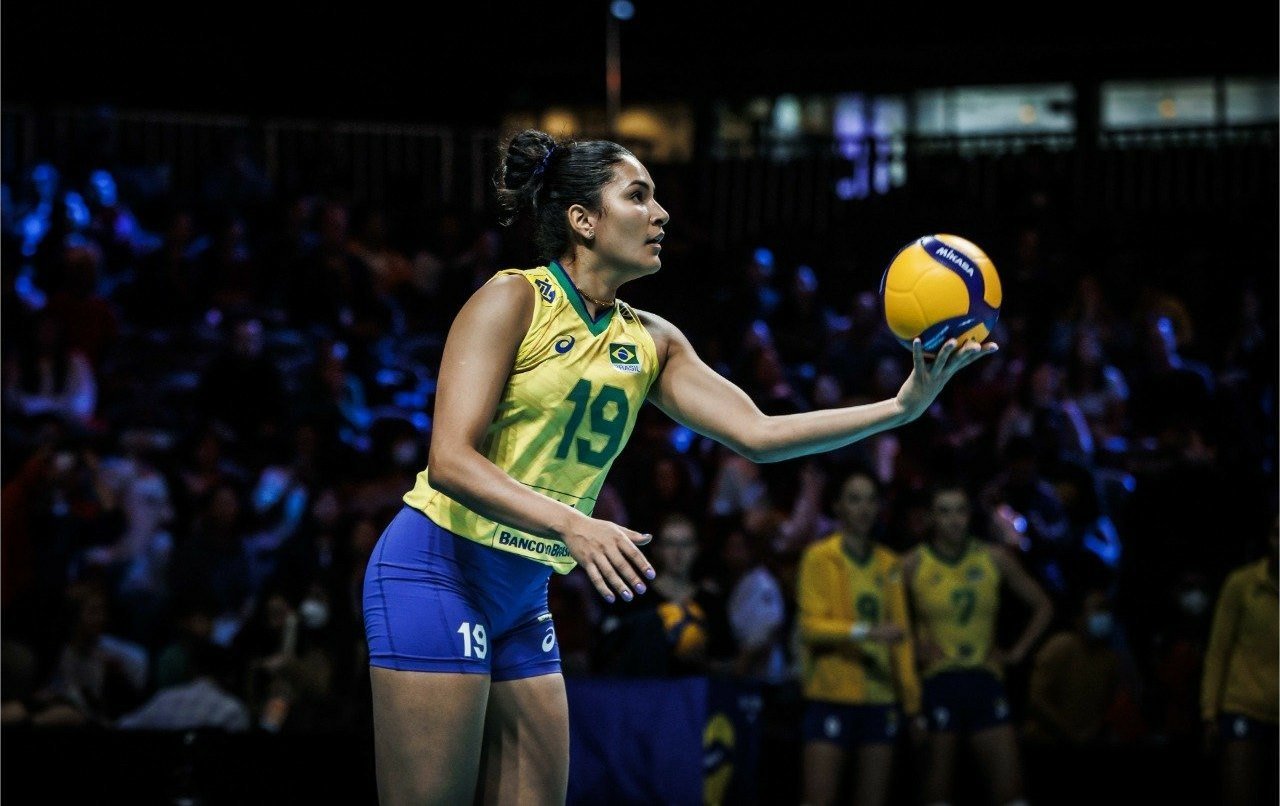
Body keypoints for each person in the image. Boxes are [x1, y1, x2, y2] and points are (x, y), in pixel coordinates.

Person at [361, 129, 996, 805]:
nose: (661, 214)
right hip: (437, 570)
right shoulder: (513, 300)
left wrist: (900, 408)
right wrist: (574, 524)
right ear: (583, 220)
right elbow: (450, 459)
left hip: (522, 597)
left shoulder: (653, 340)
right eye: (638, 196)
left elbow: (760, 433)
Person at [903, 481, 1053, 806]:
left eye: (960, 511)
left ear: (969, 516)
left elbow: (1043, 606)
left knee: (1012, 796)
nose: (954, 520)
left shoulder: (994, 559)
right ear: (931, 518)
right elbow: (887, 620)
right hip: (937, 683)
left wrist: (1016, 653)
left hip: (985, 680)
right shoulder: (913, 564)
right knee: (935, 796)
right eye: (944, 512)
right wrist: (912, 647)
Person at [796, 470, 922, 806]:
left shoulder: (889, 562)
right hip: (831, 693)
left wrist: (912, 705)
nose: (863, 508)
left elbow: (902, 639)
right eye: (854, 499)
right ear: (837, 506)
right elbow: (811, 627)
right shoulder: (819, 557)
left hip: (881, 698)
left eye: (870, 499)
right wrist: (867, 632)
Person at [1200, 515, 1278, 806]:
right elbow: (1218, 651)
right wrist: (1210, 712)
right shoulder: (1242, 585)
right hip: (1243, 709)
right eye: (1277, 534)